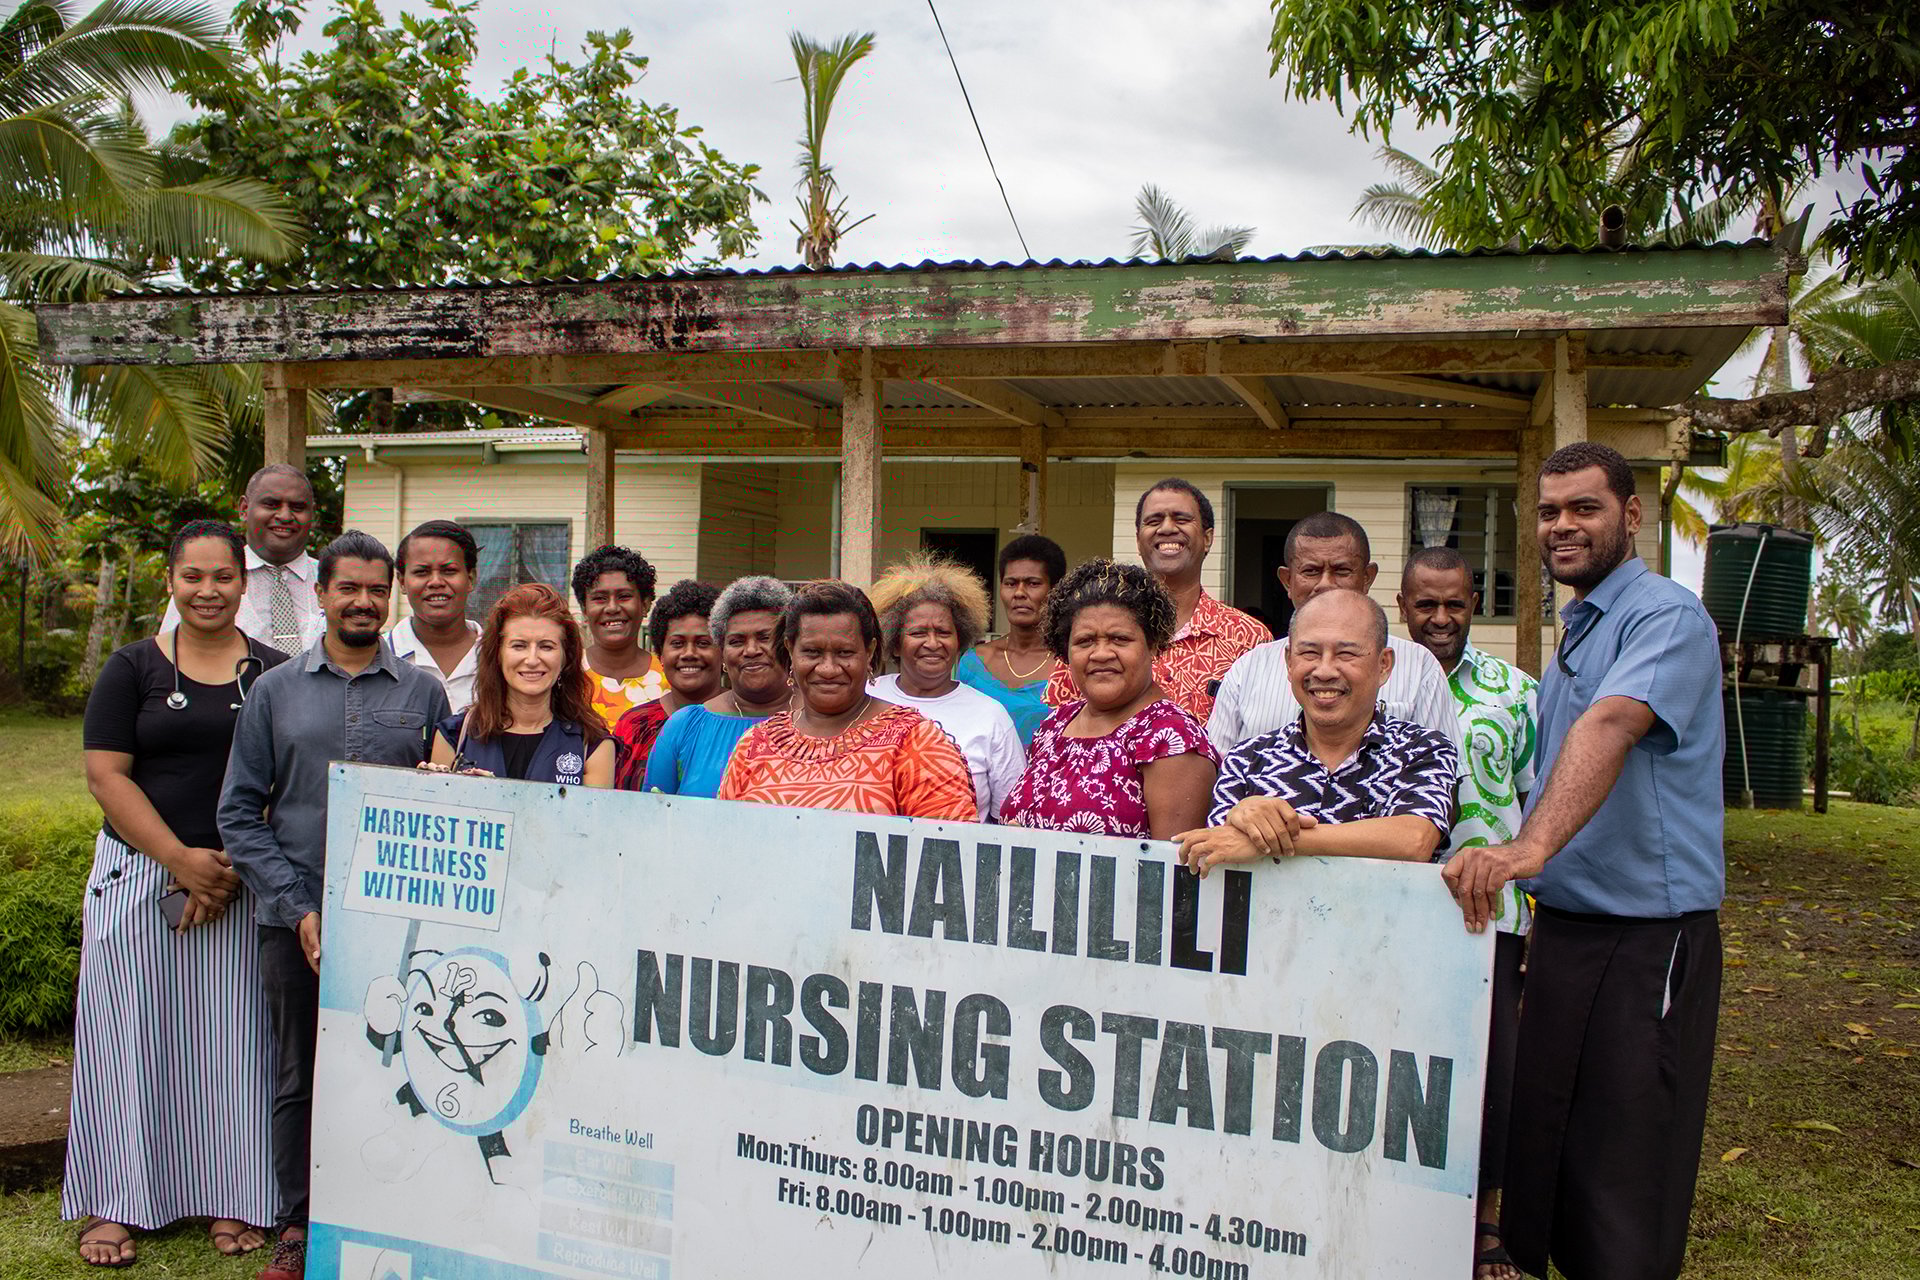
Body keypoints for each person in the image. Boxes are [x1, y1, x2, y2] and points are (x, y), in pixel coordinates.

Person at [1442, 443, 1725, 1280]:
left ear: (1631, 515)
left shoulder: (1665, 617)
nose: (1562, 526)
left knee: (1627, 1151)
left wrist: (1528, 848)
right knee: (1553, 1132)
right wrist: (1542, 889)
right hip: (1568, 925)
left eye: (1584, 508)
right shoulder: (1581, 624)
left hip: (1648, 935)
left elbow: (1610, 725)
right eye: (1548, 511)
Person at [218, 531, 450, 1280]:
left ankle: (390, 1214)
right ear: (320, 594)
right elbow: (238, 813)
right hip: (295, 920)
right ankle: (298, 1223)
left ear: (391, 596)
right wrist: (298, 909)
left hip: (398, 927)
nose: (363, 601)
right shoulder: (273, 691)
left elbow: (445, 803)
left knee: (397, 1065)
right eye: (348, 587)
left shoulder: (424, 693)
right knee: (300, 1075)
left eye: (376, 589)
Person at [69, 521, 284, 1268]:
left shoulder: (275, 673)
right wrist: (180, 861)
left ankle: (234, 1193)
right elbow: (107, 776)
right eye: (193, 576)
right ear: (171, 581)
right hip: (140, 877)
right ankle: (113, 1201)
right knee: (127, 1039)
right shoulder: (132, 668)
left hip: (240, 883)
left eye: (223, 576)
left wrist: (225, 867)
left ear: (244, 583)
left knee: (233, 1046)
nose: (208, 590)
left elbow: (289, 778)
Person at [1396, 544, 1539, 1280]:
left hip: (1492, 915)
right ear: (1402, 605)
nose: (1441, 617)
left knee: (1492, 1074)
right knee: (1403, 1067)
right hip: (1392, 912)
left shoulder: (1516, 692)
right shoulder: (1376, 678)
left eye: (1455, 603)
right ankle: (1404, 1213)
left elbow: (1538, 802)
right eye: (1426, 604)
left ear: (1474, 603)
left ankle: (1483, 1221)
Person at [1175, 590, 1457, 875]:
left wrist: (1268, 840)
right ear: (1289, 661)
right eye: (1309, 652)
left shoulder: (1422, 750)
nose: (1324, 671)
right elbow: (1221, 848)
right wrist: (1246, 817)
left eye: (1346, 653)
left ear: (1383, 665)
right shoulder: (1247, 760)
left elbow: (1414, 839)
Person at [718, 580, 976, 820]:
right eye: (812, 652)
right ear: (790, 650)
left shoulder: (914, 742)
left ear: (869, 651)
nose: (828, 669)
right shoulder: (755, 744)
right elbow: (725, 837)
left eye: (844, 652)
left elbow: (946, 847)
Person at [1209, 510, 1459, 753]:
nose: (1326, 584)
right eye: (1311, 571)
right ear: (1287, 580)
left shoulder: (1418, 667)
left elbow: (1444, 768)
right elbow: (1219, 769)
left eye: (1341, 571)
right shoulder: (1249, 669)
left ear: (1367, 577)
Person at [1003, 559, 1219, 840]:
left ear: (1153, 644)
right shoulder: (1055, 724)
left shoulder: (1172, 739)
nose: (1101, 654)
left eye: (1119, 639)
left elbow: (1172, 863)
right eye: (1085, 641)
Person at [1044, 479, 1265, 723]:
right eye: (1154, 521)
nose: (1167, 528)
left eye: (1181, 519)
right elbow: (1062, 726)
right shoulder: (1090, 635)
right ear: (1138, 540)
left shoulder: (1247, 637)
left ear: (1207, 538)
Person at [869, 553, 1026, 821]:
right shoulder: (866, 695)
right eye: (918, 633)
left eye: (943, 633)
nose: (933, 643)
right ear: (894, 643)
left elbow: (1009, 816)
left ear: (959, 640)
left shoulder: (991, 716)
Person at [428, 583, 614, 786]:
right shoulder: (454, 736)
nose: (532, 659)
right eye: (519, 646)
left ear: (565, 658)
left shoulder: (592, 744)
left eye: (546, 646)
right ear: (497, 654)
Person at [644, 576, 793, 799]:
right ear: (722, 652)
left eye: (765, 637)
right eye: (736, 641)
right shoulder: (686, 726)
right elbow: (651, 811)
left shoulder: (821, 721)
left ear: (788, 645)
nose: (751, 650)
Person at [161, 464, 323, 655]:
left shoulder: (334, 581)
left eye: (298, 507)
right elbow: (169, 656)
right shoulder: (203, 584)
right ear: (244, 508)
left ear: (312, 514)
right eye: (271, 504)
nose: (285, 516)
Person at [957, 533, 1067, 745]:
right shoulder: (974, 664)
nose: (1019, 593)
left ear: (1056, 590)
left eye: (1033, 583)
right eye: (1010, 583)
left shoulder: (1071, 664)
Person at [613, 580, 722, 789]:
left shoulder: (744, 723)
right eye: (677, 643)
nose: (689, 653)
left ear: (723, 651)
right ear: (660, 654)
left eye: (703, 643)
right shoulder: (635, 726)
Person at [388, 519, 481, 712]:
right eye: (422, 572)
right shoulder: (379, 657)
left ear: (470, 578)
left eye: (449, 571)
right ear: (402, 582)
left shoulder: (502, 657)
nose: (436, 582)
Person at [573, 544, 665, 730]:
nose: (612, 608)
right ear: (584, 609)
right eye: (600, 598)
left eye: (624, 596)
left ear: (645, 604)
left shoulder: (669, 674)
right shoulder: (567, 673)